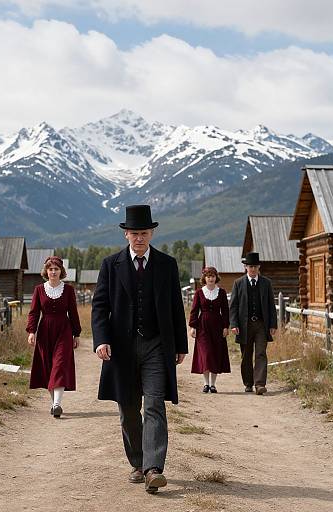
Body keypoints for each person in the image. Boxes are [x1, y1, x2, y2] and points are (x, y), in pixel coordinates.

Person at [91, 204, 188, 494]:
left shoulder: (167, 264)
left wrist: (180, 345)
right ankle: (138, 461)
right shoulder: (111, 265)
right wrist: (101, 340)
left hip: (157, 347)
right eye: (134, 234)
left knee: (155, 405)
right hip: (121, 349)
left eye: (144, 233)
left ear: (152, 233)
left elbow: (175, 307)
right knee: (128, 410)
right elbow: (100, 306)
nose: (139, 238)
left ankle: (153, 469)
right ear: (126, 235)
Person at [26, 256, 81, 418]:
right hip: (45, 331)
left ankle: (57, 404)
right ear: (46, 271)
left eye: (56, 269)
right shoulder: (39, 290)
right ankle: (54, 404)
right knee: (49, 367)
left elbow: (73, 313)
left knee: (60, 364)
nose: (53, 272)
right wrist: (31, 331)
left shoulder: (69, 290)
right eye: (51, 269)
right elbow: (34, 313)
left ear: (61, 271)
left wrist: (76, 334)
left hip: (64, 329)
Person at [229, 252, 277, 395]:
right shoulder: (238, 283)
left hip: (261, 325)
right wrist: (234, 324)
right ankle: (248, 383)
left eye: (255, 266)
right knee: (246, 355)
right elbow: (233, 306)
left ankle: (260, 384)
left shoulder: (266, 283)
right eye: (250, 266)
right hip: (244, 325)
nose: (253, 269)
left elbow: (271, 305)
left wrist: (273, 325)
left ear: (259, 267)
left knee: (261, 353)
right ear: (245, 267)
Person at [189, 266, 230, 393]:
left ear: (216, 278)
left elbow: (225, 311)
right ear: (204, 278)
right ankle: (206, 383)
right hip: (203, 328)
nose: (210, 278)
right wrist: (192, 327)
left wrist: (225, 326)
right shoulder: (199, 293)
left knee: (215, 354)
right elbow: (194, 311)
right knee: (206, 355)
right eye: (208, 276)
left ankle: (213, 384)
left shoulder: (222, 292)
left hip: (217, 327)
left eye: (212, 276)